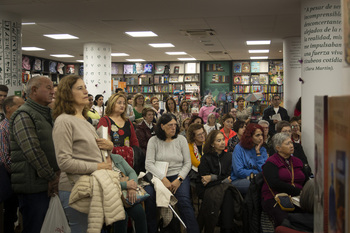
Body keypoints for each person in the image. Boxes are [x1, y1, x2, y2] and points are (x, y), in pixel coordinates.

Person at [10, 76, 60, 233]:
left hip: (46, 183)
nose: (53, 91)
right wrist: (52, 177)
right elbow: (33, 151)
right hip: (33, 187)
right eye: (49, 88)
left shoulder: (46, 114)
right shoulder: (24, 115)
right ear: (34, 90)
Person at [144, 113, 199, 233]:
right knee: (149, 197)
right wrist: (163, 178)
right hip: (157, 176)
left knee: (183, 200)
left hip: (178, 175)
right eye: (170, 125)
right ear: (162, 126)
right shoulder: (153, 140)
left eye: (175, 125)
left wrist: (179, 179)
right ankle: (152, 229)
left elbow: (187, 163)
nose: (173, 128)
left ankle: (193, 230)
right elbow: (148, 164)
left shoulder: (181, 140)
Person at [198, 130, 241, 233]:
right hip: (208, 190)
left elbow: (230, 177)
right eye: (218, 140)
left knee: (227, 193)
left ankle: (226, 227)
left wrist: (213, 177)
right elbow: (204, 180)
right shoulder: (205, 158)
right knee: (227, 192)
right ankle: (227, 228)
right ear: (212, 144)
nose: (222, 142)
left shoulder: (228, 156)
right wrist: (221, 180)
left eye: (223, 140)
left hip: (223, 188)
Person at [261, 133, 307, 227]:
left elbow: (306, 179)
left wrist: (305, 193)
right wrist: (298, 191)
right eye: (287, 144)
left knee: (309, 218)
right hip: (276, 197)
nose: (291, 145)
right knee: (286, 221)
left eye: (291, 142)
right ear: (278, 148)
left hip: (298, 198)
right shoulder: (271, 163)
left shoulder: (297, 161)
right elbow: (274, 184)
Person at [0, 95, 24, 233]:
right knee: (9, 213)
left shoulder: (18, 125)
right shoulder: (3, 129)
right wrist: (19, 170)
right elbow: (4, 159)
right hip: (10, 177)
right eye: (19, 107)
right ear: (8, 108)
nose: (23, 110)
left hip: (18, 177)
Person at [97, 93, 139, 168]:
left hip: (129, 161)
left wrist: (135, 154)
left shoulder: (127, 121)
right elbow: (103, 143)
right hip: (112, 160)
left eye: (124, 103)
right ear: (112, 104)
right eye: (119, 103)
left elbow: (134, 141)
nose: (122, 105)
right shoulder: (105, 120)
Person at [231, 123, 268, 195]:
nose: (261, 138)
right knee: (254, 185)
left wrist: (258, 153)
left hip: (257, 179)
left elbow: (264, 170)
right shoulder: (239, 148)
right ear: (250, 137)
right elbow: (238, 171)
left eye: (261, 135)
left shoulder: (262, 149)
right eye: (257, 135)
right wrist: (256, 174)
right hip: (240, 180)